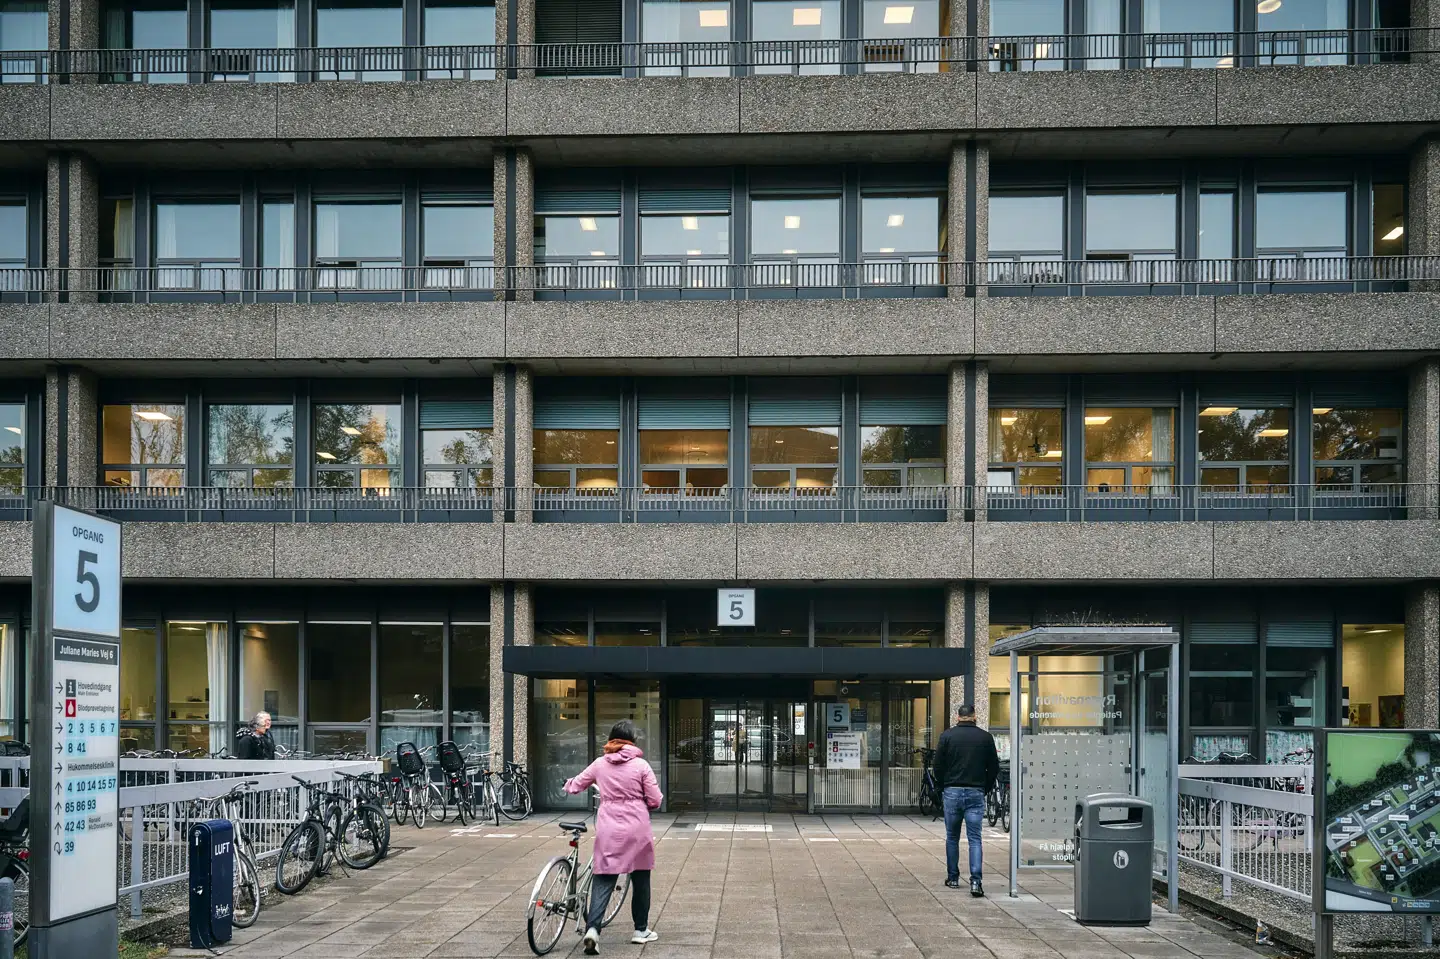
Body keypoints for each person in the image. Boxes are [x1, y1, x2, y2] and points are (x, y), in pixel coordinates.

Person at [564, 719, 663, 955]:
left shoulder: (600, 764)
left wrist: (567, 785)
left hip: (609, 827)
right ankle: (640, 930)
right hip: (636, 828)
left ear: (611, 739)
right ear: (633, 741)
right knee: (641, 877)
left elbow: (576, 785)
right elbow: (655, 799)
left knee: (604, 877)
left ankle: (593, 930)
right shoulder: (641, 766)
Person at [933, 703, 999, 897]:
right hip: (975, 791)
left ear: (958, 717)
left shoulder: (947, 736)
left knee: (952, 837)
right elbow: (993, 767)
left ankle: (953, 878)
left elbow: (938, 765)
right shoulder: (985, 737)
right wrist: (985, 788)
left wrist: (943, 785)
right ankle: (976, 882)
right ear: (974, 716)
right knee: (975, 838)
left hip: (952, 791)